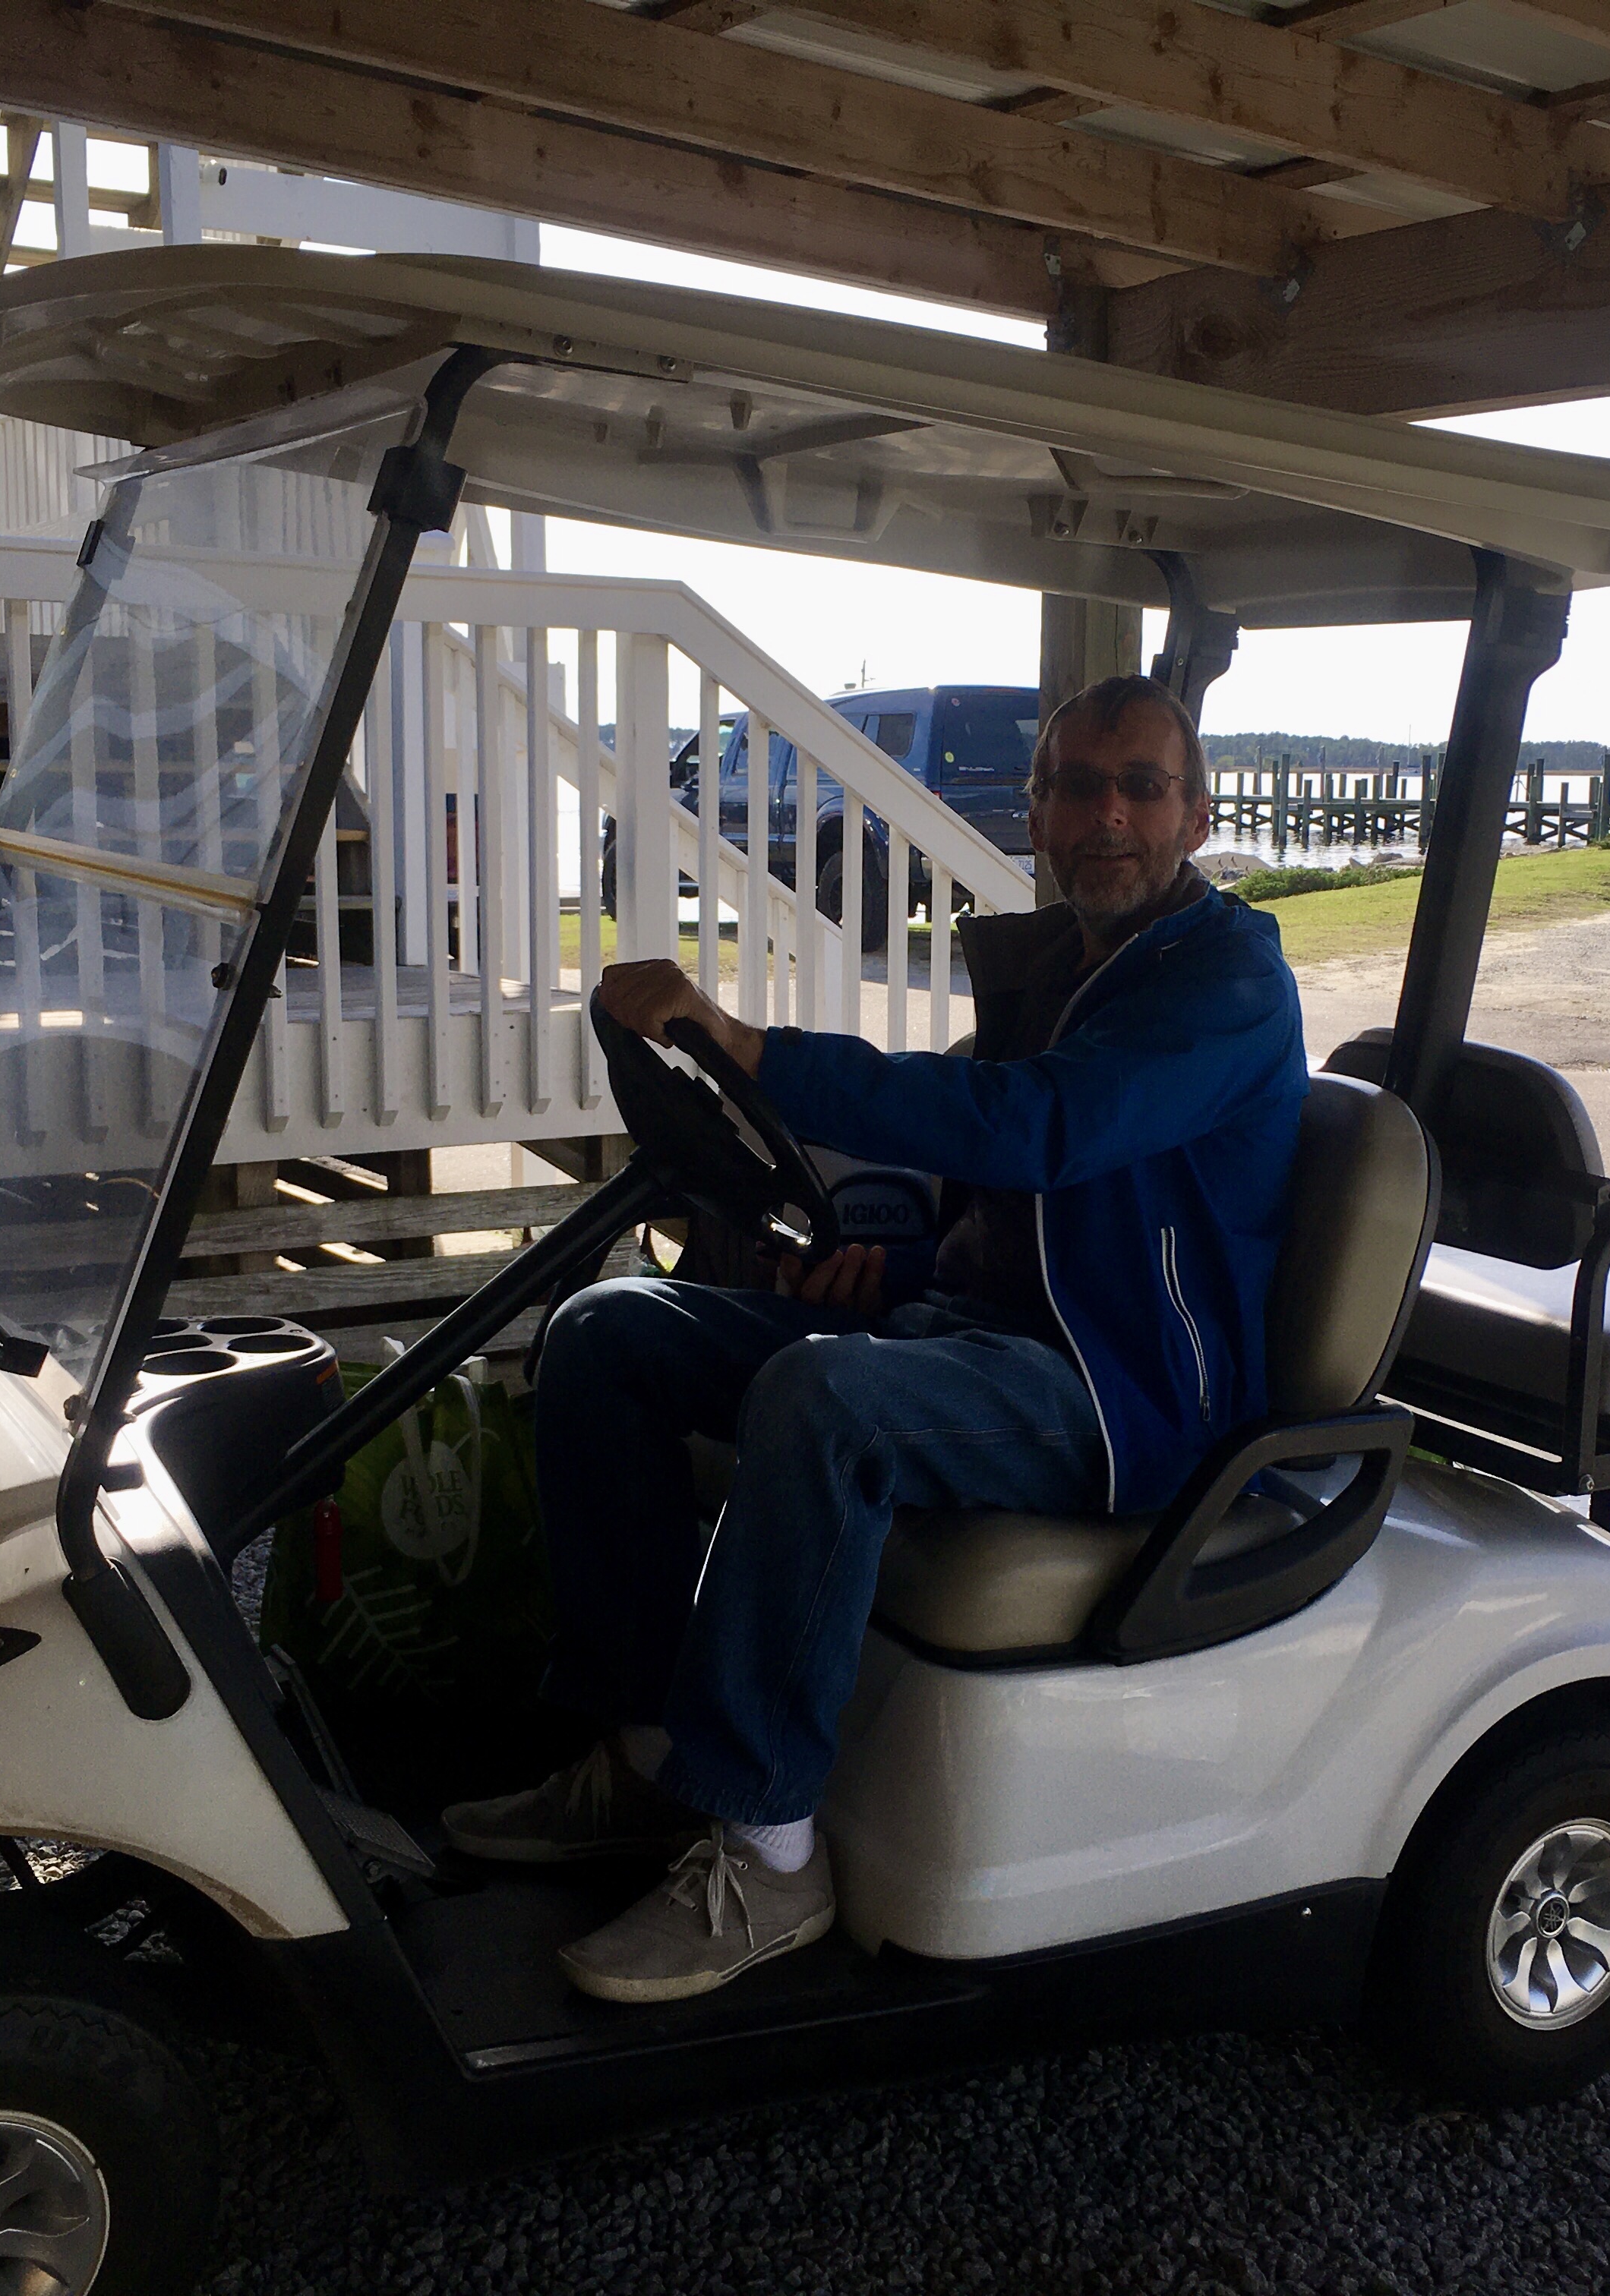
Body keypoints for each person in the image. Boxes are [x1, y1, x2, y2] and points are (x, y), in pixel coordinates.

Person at [442, 674, 1306, 2003]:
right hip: (991, 1334)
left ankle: (770, 1852)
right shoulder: (1068, 967)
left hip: (1127, 1396)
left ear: (1195, 817)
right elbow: (1019, 1215)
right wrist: (893, 1266)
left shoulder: (1224, 981)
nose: (1109, 816)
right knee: (611, 1332)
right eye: (1079, 786)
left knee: (822, 1399)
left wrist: (758, 1050)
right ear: (1036, 814)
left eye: (1142, 787)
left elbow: (1037, 1131)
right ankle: (650, 1752)